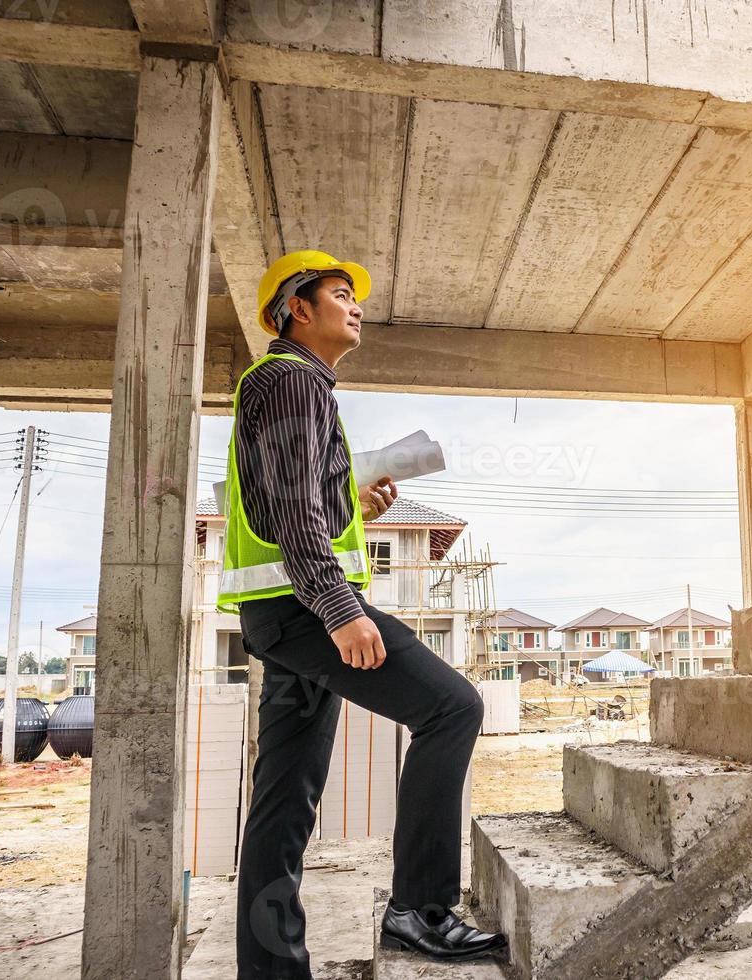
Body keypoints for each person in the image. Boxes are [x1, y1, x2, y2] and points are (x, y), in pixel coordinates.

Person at [219, 250, 505, 977]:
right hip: (306, 610)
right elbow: (286, 511)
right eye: (339, 294)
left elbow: (283, 499)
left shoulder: (288, 388)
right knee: (453, 708)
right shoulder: (291, 380)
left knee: (284, 800)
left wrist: (353, 501)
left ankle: (270, 969)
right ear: (296, 309)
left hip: (279, 615)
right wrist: (340, 608)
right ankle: (421, 909)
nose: (356, 306)